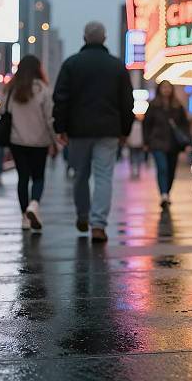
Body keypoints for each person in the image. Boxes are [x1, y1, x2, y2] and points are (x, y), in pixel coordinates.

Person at [53, 22, 134, 243]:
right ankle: (98, 224)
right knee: (104, 177)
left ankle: (82, 215)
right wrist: (125, 130)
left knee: (80, 174)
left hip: (78, 131)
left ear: (84, 37)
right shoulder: (117, 66)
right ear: (105, 38)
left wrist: (60, 128)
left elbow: (61, 98)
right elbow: (127, 102)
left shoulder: (71, 64)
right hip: (109, 130)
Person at [1, 55, 57, 231]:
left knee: (22, 178)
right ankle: (34, 204)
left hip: (17, 140)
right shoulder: (43, 89)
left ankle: (24, 217)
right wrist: (56, 141)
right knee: (38, 177)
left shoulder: (11, 88)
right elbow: (50, 119)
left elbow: (2, 110)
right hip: (39, 141)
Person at [143, 81, 189, 209]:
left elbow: (184, 125)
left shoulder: (177, 106)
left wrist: (186, 142)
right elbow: (146, 125)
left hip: (173, 144)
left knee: (171, 170)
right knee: (162, 168)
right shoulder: (153, 106)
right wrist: (146, 141)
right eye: (164, 88)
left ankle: (167, 193)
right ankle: (163, 194)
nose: (166, 90)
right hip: (157, 142)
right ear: (159, 89)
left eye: (168, 88)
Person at [128, 115, 144, 180]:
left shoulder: (131, 126)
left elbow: (129, 135)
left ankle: (133, 171)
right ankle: (137, 171)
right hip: (139, 144)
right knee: (138, 158)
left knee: (132, 158)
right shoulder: (141, 126)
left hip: (132, 144)